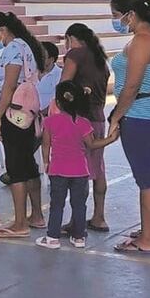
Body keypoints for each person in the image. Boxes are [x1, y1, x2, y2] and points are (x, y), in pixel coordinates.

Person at [108, 0, 150, 254]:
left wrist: (116, 115)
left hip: (140, 114)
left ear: (130, 14)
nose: (117, 22)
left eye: (117, 16)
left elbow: (132, 85)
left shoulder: (141, 41)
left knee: (146, 177)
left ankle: (147, 239)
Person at [0, 11, 47, 238]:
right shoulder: (25, 46)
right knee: (28, 166)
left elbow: (9, 86)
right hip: (26, 114)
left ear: (2, 30)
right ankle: (36, 215)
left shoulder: (12, 49)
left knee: (16, 169)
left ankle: (20, 223)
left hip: (13, 115)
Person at [38, 81, 120, 250]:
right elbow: (92, 144)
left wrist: (46, 162)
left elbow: (46, 144)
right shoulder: (83, 123)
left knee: (57, 204)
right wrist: (110, 139)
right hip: (80, 171)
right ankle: (79, 236)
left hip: (58, 170)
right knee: (79, 205)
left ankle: (52, 237)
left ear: (58, 102)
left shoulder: (50, 122)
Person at [60, 23, 111, 232]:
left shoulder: (75, 54)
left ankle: (76, 221)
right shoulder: (100, 59)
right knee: (98, 170)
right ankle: (99, 217)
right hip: (98, 118)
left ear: (71, 38)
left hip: (79, 119)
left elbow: (64, 86)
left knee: (77, 173)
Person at [36, 41, 63, 113]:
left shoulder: (60, 75)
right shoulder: (30, 73)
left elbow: (58, 101)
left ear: (51, 59)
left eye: (42, 56)